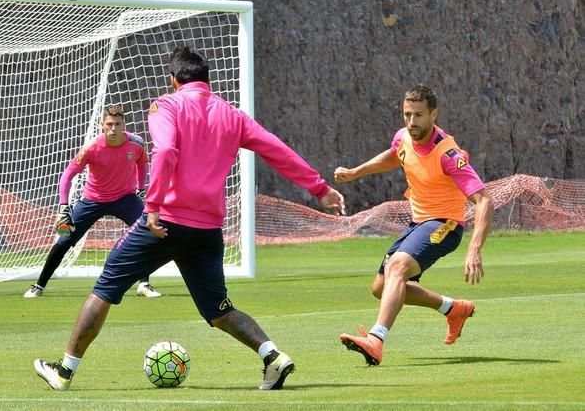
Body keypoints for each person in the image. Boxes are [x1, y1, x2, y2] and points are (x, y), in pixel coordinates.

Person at [33, 45, 346, 391]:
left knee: (105, 288)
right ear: (207, 80)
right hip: (208, 230)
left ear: (173, 80)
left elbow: (165, 150)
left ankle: (64, 372)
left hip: (164, 222)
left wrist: (151, 206)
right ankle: (273, 357)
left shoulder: (166, 105)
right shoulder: (233, 115)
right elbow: (276, 149)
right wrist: (319, 189)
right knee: (218, 310)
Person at [334, 83, 494, 366]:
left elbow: (484, 201)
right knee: (381, 288)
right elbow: (396, 154)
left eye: (418, 115)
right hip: (418, 223)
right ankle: (452, 309)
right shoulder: (403, 137)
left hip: (445, 224)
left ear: (434, 115)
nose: (411, 122)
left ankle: (376, 339)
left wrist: (475, 249)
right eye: (407, 114)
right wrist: (357, 172)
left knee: (397, 267)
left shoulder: (448, 155)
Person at [23, 104, 162, 299]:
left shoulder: (136, 144)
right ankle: (39, 285)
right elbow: (67, 175)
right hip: (92, 199)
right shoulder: (91, 147)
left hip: (125, 198)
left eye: (118, 124)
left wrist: (140, 189)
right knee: (64, 239)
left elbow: (141, 164)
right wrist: (64, 206)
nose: (113, 129)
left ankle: (144, 284)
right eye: (109, 124)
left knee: (148, 231)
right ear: (102, 125)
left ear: (124, 125)